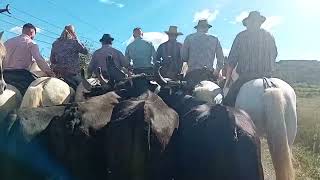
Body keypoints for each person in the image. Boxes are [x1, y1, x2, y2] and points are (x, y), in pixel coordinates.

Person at [223, 11, 278, 107]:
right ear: (260, 22)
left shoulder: (241, 36)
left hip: (246, 77)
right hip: (268, 77)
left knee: (227, 104)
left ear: (247, 23)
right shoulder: (269, 36)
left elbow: (231, 61)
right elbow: (274, 54)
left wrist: (227, 81)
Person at [3, 23, 54, 95]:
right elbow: (39, 59)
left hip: (4, 75)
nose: (34, 37)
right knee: (40, 91)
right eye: (34, 35)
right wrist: (49, 72)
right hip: (21, 76)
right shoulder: (31, 43)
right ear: (32, 32)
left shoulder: (7, 42)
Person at [50, 25, 88, 90]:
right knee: (85, 90)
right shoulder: (74, 42)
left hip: (58, 74)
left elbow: (52, 60)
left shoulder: (55, 43)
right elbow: (85, 51)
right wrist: (76, 37)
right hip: (72, 74)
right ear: (73, 32)